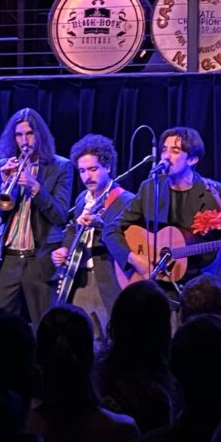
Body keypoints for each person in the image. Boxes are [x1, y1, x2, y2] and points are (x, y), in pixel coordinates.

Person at [107, 126, 221, 294]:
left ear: (192, 160)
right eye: (164, 150)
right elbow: (112, 230)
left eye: (175, 151)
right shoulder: (150, 188)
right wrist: (134, 259)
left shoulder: (216, 194)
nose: (166, 156)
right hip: (157, 290)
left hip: (203, 290)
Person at [0, 108, 72, 325]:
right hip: (8, 259)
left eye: (29, 133)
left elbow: (60, 215)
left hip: (39, 259)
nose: (24, 140)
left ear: (40, 135)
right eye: (19, 135)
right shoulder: (7, 166)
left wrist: (36, 187)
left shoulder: (61, 167)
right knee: (0, 327)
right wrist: (3, 182)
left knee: (44, 326)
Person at [50, 133, 134, 337]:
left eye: (93, 169)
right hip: (80, 279)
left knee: (113, 338)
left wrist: (102, 226)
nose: (87, 176)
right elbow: (72, 227)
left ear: (107, 167)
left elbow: (129, 242)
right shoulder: (82, 199)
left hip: (110, 280)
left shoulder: (126, 200)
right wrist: (64, 248)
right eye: (82, 171)